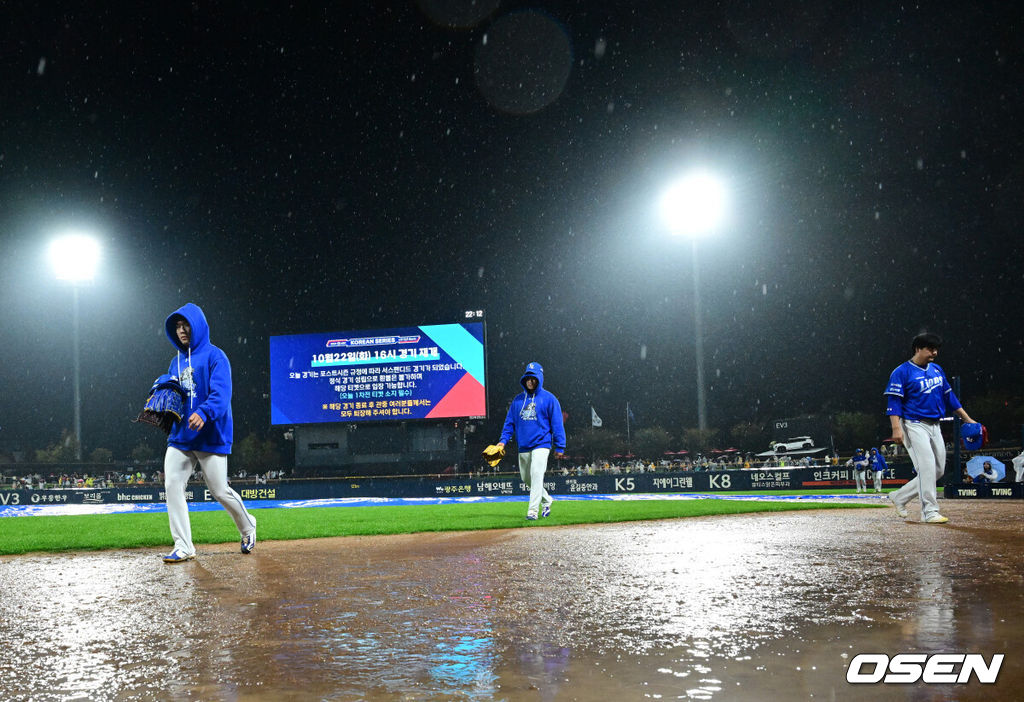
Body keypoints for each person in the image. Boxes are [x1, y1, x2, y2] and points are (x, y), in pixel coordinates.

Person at [160, 303, 257, 563]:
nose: (181, 330)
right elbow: (176, 396)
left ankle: (248, 527)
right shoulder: (175, 362)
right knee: (172, 485)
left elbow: (221, 395)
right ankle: (183, 545)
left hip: (211, 432)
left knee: (219, 490)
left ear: (198, 326)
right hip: (181, 436)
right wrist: (163, 403)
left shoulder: (216, 356)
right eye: (177, 327)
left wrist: (203, 413)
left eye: (185, 325)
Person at [884, 332, 979, 524]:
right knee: (927, 467)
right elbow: (894, 401)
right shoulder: (902, 372)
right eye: (930, 349)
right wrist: (896, 428)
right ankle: (929, 511)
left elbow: (949, 398)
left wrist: (968, 419)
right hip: (913, 424)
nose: (934, 353)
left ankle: (900, 497)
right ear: (918, 349)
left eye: (936, 349)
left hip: (935, 425)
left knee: (938, 470)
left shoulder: (936, 369)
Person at [495, 362, 566, 520]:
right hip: (524, 445)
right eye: (528, 378)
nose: (530, 381)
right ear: (524, 379)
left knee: (536, 473)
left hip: (542, 443)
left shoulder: (549, 399)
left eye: (534, 378)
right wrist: (503, 441)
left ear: (539, 379)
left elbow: (557, 424)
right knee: (526, 478)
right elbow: (509, 423)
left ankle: (532, 511)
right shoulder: (518, 400)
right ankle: (547, 499)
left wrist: (560, 446)